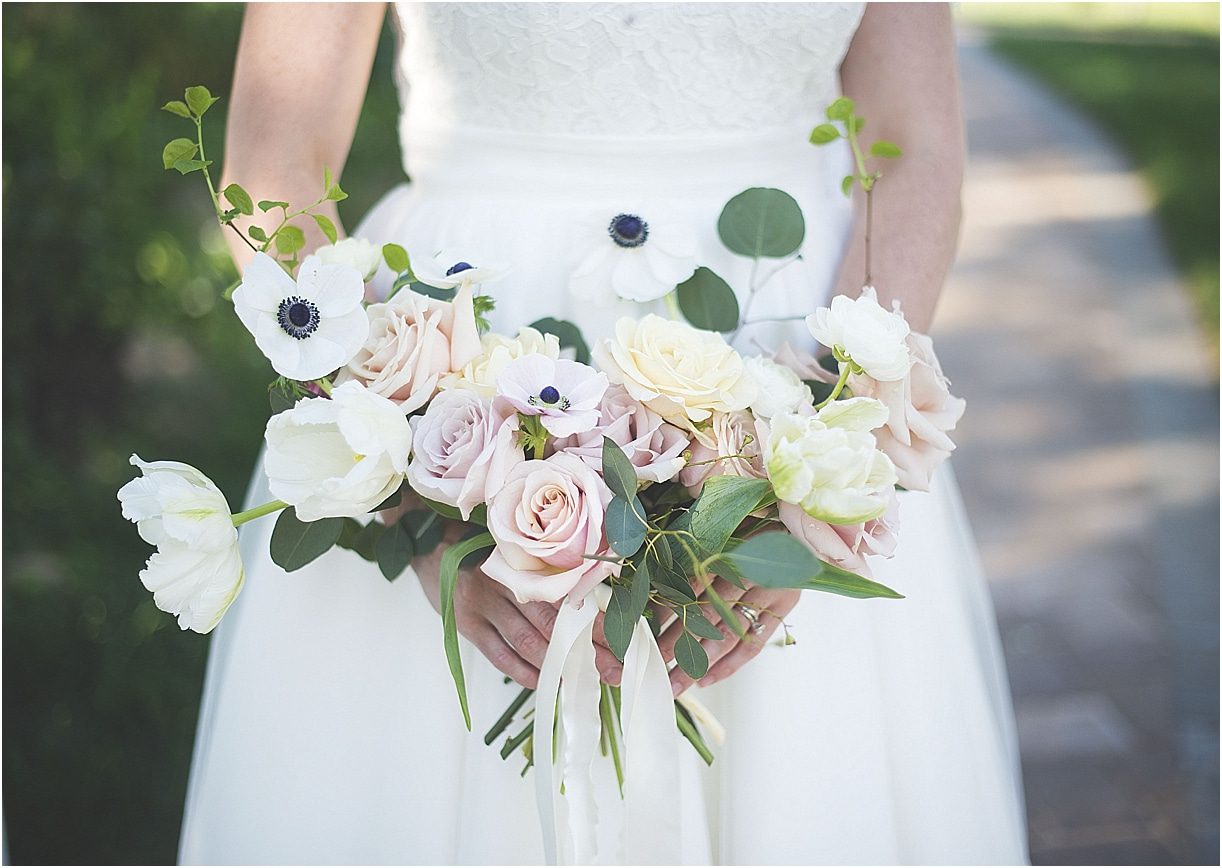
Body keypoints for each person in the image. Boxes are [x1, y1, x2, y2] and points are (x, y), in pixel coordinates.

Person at [178, 3, 1029, 863]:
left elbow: (912, 148)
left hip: (794, 349)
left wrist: (811, 481)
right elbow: (278, 159)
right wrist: (411, 483)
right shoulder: (420, 440)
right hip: (459, 339)